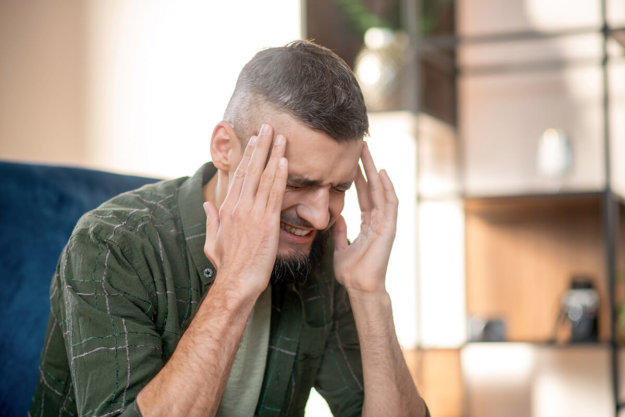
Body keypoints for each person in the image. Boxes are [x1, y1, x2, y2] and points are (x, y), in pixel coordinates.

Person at [30, 40, 429, 417]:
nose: (321, 217)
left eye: (339, 187)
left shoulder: (319, 253)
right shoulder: (111, 246)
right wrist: (235, 284)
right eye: (295, 183)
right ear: (225, 148)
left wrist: (369, 293)